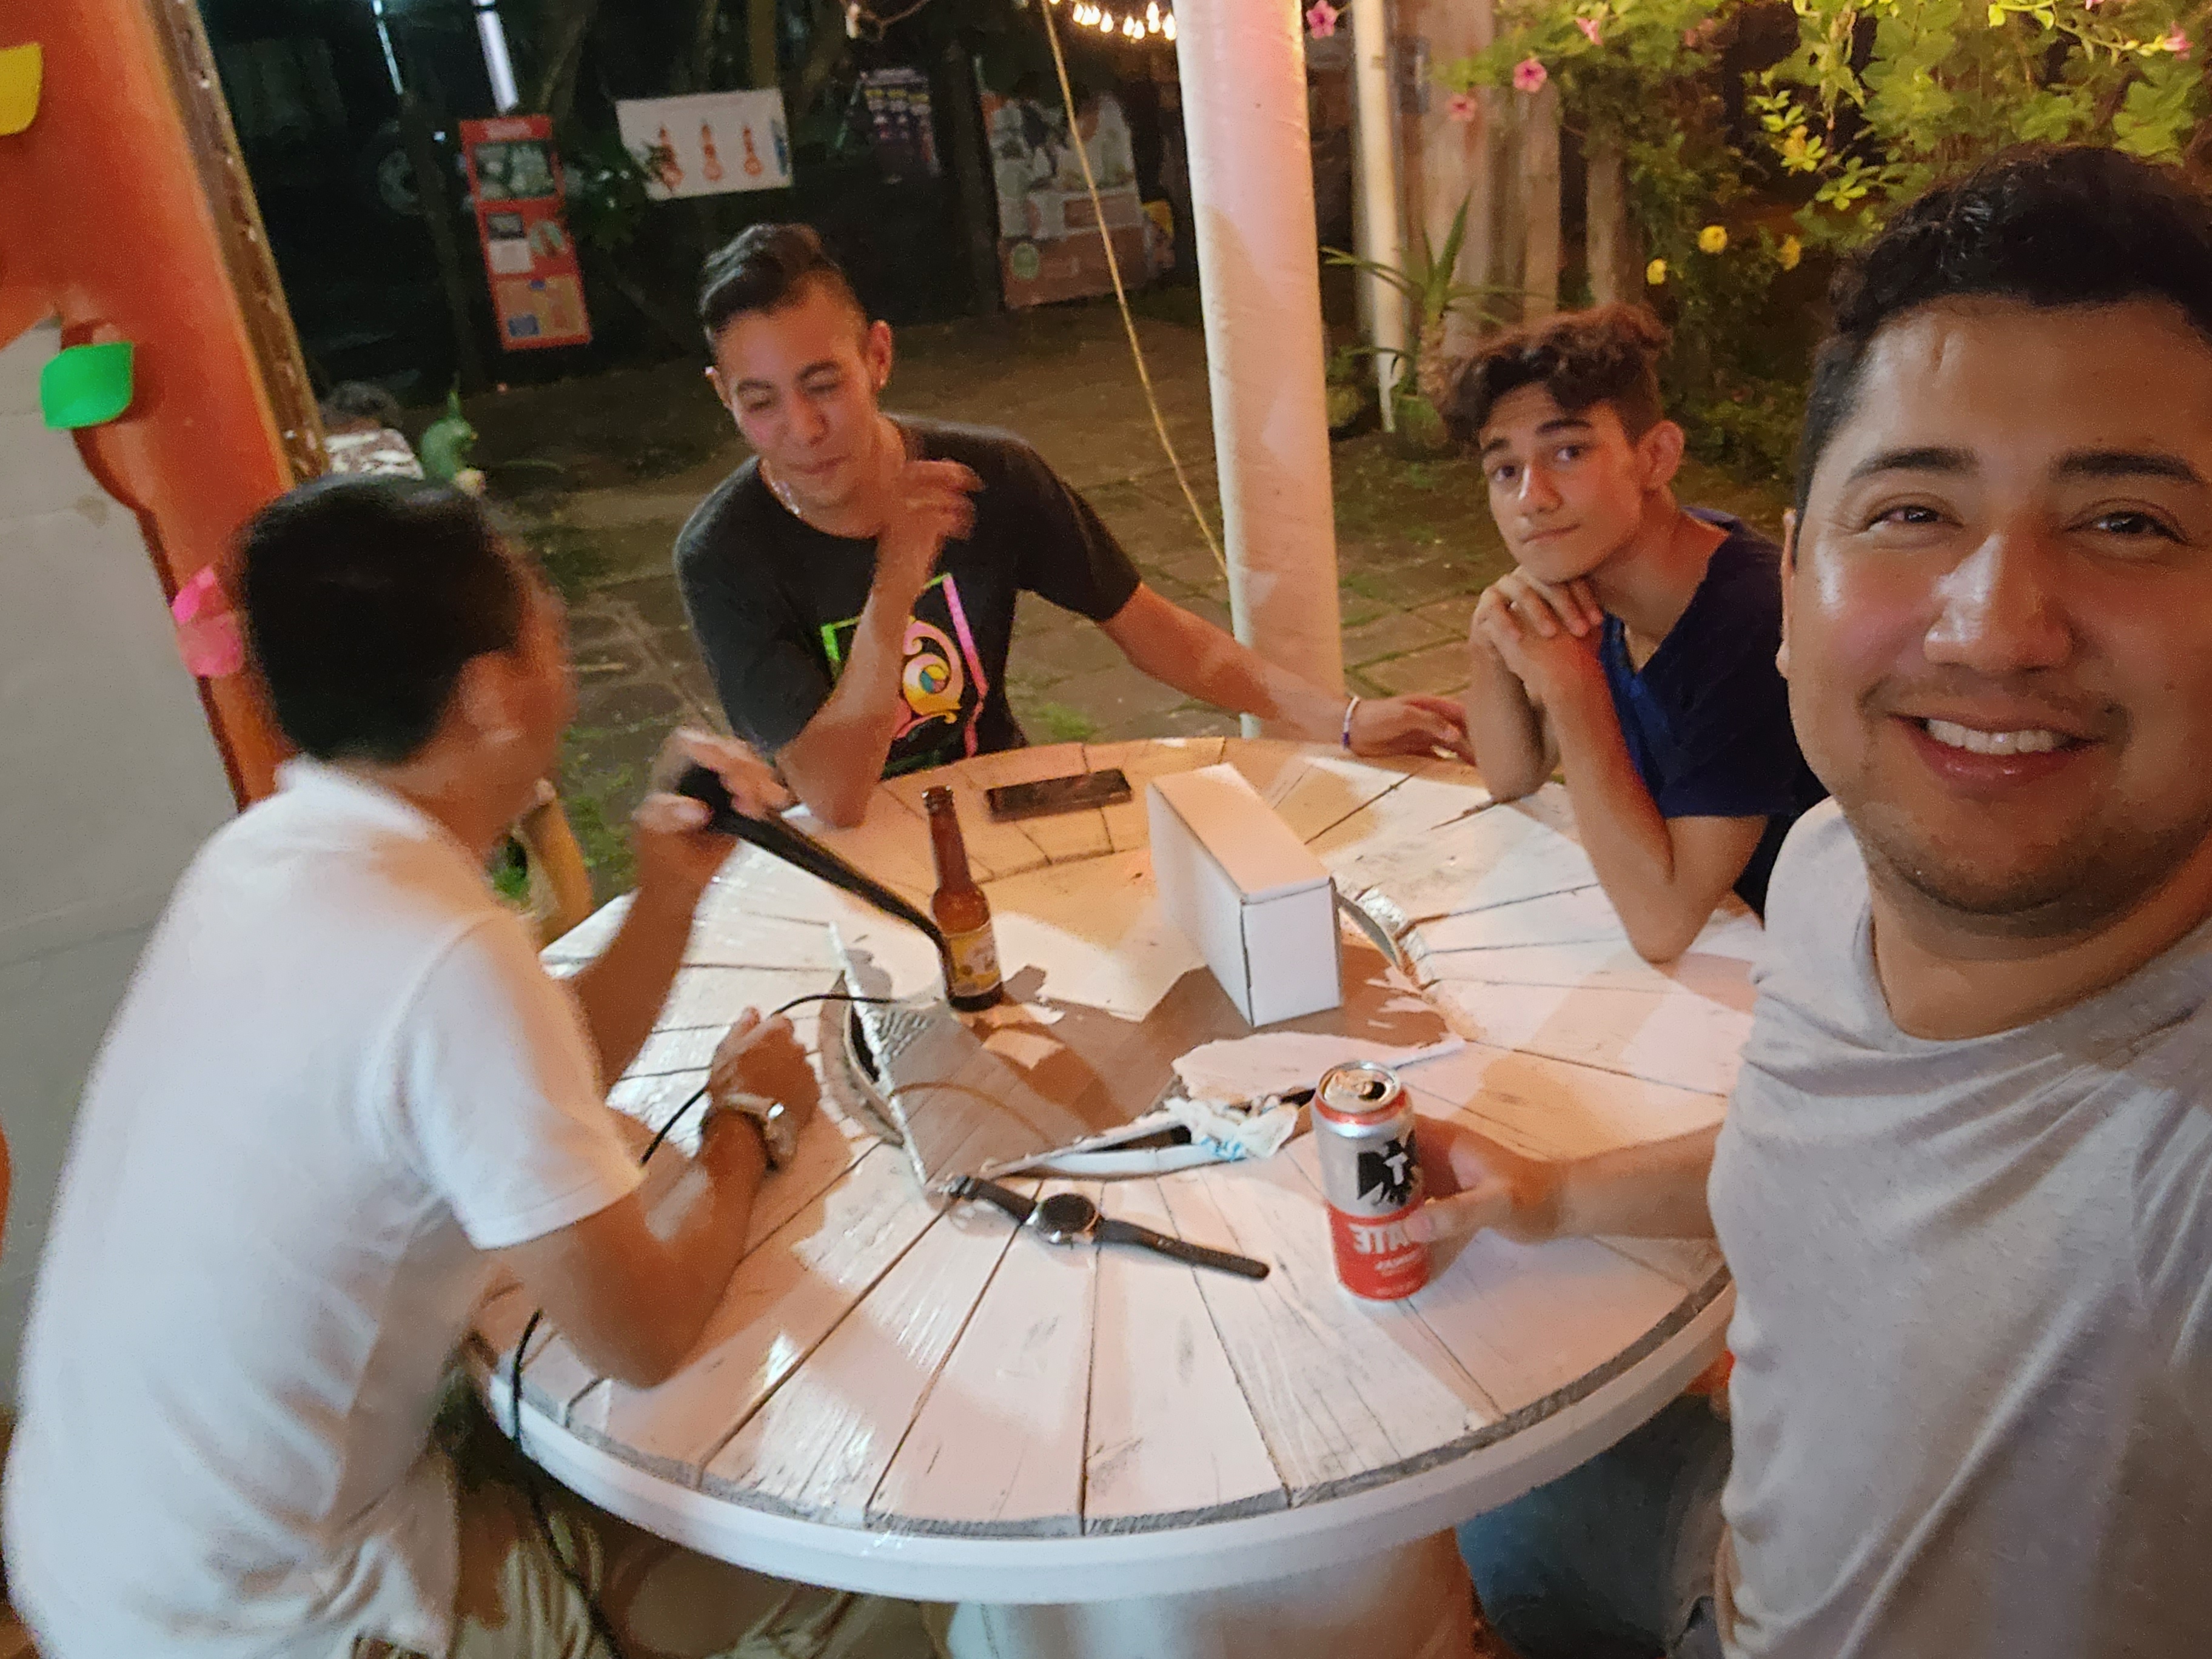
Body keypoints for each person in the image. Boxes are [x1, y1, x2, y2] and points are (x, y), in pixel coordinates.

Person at [1422, 144, 2212, 1658]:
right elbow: (1848, 1129)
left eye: (2127, 521)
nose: (1996, 625)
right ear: (1798, 585)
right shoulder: (1841, 861)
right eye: (1913, 508)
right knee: (1462, 1502)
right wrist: (1557, 1192)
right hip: (1730, 1559)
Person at [1, 477, 945, 1658]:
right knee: (856, 1567)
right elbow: (640, 1333)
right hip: (269, 1615)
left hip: (93, 1550)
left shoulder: (268, 858)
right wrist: (749, 1128)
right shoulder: (448, 957)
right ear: (493, 693)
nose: (562, 645)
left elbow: (522, 1087)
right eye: (544, 618)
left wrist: (665, 892)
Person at [674, 223, 1470, 826]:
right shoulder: (725, 553)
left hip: (1000, 805)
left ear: (877, 357)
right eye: (761, 402)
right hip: (855, 845)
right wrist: (895, 582)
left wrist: (1346, 718)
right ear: (722, 397)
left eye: (824, 385)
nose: (804, 429)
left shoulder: (992, 476)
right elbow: (835, 793)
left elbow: (1158, 630)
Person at [1447, 306, 1825, 960]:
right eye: (1505, 470)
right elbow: (1510, 776)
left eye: (1568, 452)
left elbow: (1662, 924)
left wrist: (1573, 687)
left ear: (1656, 457)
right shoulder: (1598, 572)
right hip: (1727, 945)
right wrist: (1492, 640)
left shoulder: (1750, 621)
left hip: (1821, 973)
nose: (1531, 499)